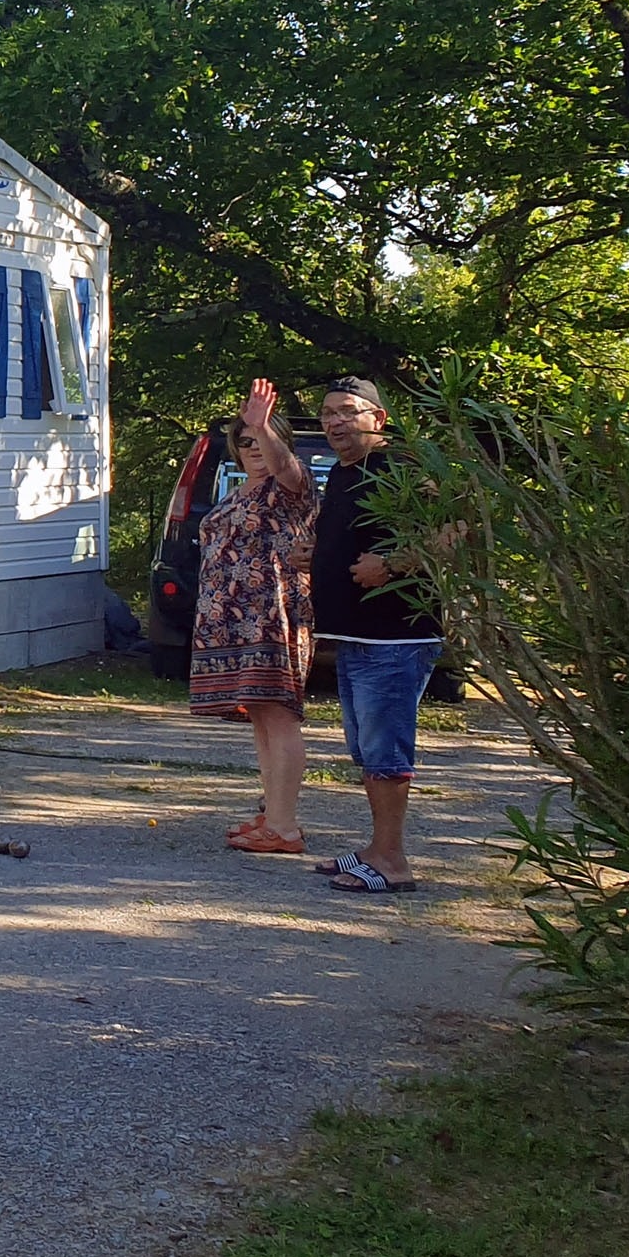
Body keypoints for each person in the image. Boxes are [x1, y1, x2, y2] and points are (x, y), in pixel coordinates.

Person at [307, 375, 440, 893]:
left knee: (386, 752)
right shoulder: (343, 474)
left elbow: (454, 530)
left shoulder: (403, 467)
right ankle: (374, 849)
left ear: (377, 418)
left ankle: (392, 862)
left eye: (347, 411)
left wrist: (392, 564)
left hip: (395, 634)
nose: (335, 422)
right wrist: (314, 555)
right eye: (328, 414)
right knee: (367, 750)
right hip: (353, 635)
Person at [190, 378, 320, 854]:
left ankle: (285, 826)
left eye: (264, 438)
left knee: (279, 714)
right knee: (261, 717)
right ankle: (273, 812)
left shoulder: (290, 487)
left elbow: (285, 467)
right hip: (233, 623)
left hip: (272, 616)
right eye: (245, 442)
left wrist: (263, 426)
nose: (256, 448)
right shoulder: (239, 493)